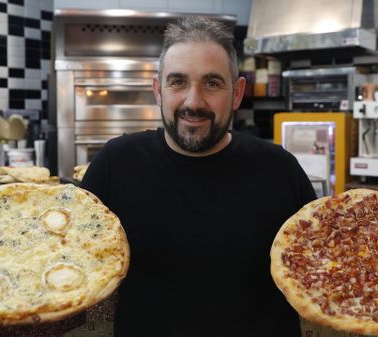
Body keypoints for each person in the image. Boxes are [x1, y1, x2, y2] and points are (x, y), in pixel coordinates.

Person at [81, 16, 316, 337]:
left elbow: (323, 271)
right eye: (177, 82)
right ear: (158, 91)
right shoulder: (114, 164)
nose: (194, 101)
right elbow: (71, 263)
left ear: (237, 93)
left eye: (212, 83)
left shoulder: (281, 171)